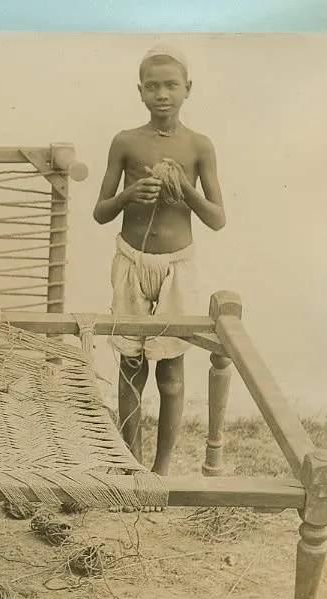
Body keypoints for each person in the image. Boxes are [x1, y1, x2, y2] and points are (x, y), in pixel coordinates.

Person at [92, 44, 226, 506]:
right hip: (131, 261)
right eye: (153, 86)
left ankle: (161, 472)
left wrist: (183, 188)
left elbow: (217, 218)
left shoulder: (200, 145)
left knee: (170, 370)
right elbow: (100, 211)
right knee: (131, 367)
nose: (162, 94)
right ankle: (131, 467)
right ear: (140, 91)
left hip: (177, 268)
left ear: (188, 90)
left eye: (171, 85)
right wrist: (131, 195)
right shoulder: (126, 141)